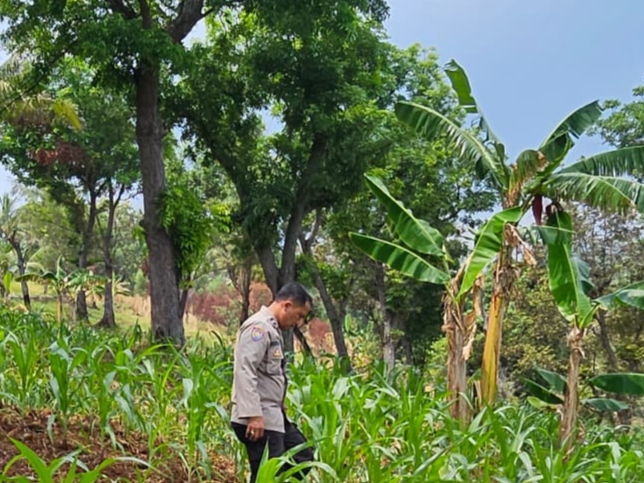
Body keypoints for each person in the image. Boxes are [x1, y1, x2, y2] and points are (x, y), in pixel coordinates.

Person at [231, 282, 315, 483]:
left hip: (274, 416)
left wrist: (279, 402)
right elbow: (244, 370)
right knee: (267, 476)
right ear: (287, 305)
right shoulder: (259, 328)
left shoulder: (272, 330)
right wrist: (254, 415)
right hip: (259, 418)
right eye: (299, 315)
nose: (298, 322)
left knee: (302, 455)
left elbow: (268, 375)